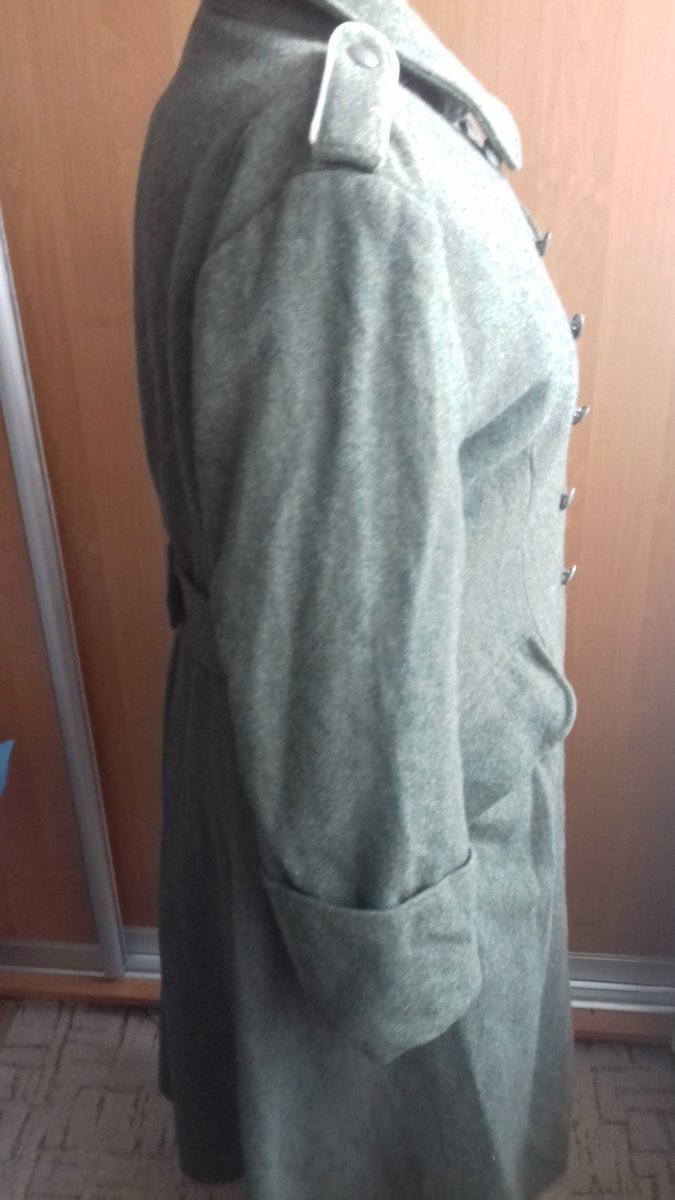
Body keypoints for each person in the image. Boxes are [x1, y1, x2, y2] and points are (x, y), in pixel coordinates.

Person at [133, 1, 583, 1197]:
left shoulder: (255, 55)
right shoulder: (338, 177)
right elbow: (342, 651)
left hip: (354, 781)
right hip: (395, 826)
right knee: (403, 1159)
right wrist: (398, 951)